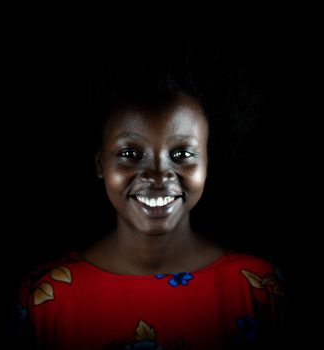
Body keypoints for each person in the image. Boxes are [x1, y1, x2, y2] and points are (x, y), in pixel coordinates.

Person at [16, 41, 286, 349]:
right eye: (130, 153)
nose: (158, 175)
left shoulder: (259, 289)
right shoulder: (48, 297)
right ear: (100, 163)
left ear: (208, 162)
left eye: (182, 153)